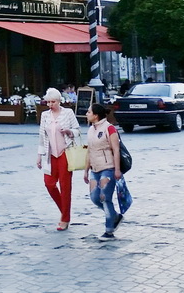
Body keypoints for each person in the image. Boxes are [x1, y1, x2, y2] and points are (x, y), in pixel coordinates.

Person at [36, 87, 81, 231]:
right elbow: (42, 137)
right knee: (49, 183)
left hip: (65, 153)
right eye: (48, 102)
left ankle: (65, 218)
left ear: (59, 101)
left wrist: (69, 132)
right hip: (50, 154)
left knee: (65, 186)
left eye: (53, 102)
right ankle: (64, 210)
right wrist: (39, 156)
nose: (50, 105)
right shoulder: (45, 115)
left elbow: (78, 130)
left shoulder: (68, 113)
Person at [84, 103, 123, 238]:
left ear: (95, 115)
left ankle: (109, 230)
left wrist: (117, 170)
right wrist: (86, 170)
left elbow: (116, 150)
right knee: (95, 198)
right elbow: (89, 150)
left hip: (108, 168)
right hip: (95, 169)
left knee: (105, 198)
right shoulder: (90, 129)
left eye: (89, 112)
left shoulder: (110, 128)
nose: (86, 114)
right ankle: (115, 216)